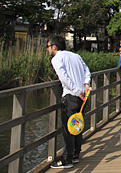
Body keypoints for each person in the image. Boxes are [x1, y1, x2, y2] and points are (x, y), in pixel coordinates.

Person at [48, 35, 91, 169]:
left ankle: (66, 159)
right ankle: (75, 154)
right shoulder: (75, 56)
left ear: (54, 47)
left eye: (48, 47)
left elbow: (64, 77)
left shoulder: (56, 58)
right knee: (77, 125)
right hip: (82, 96)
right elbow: (87, 70)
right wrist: (85, 84)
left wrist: (77, 91)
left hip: (72, 96)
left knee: (68, 129)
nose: (47, 49)